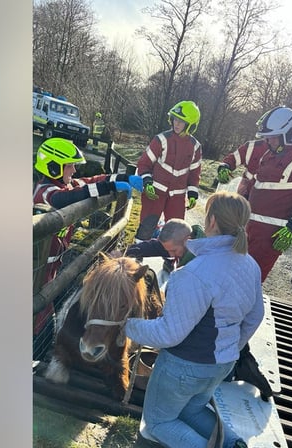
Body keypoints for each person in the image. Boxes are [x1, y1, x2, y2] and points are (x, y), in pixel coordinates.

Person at [124, 192, 277, 448]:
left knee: (158, 423)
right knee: (191, 410)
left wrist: (127, 326)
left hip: (184, 367)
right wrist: (228, 349)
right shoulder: (250, 264)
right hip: (222, 364)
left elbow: (170, 334)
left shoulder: (192, 274)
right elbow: (254, 317)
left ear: (212, 220)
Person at [32, 137, 142, 333]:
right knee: (38, 316)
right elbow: (67, 199)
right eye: (70, 166)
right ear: (54, 167)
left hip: (51, 267)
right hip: (35, 270)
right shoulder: (45, 191)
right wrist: (106, 188)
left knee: (45, 313)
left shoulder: (67, 184)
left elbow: (93, 181)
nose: (74, 170)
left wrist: (121, 179)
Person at [216, 106, 292, 282]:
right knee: (233, 272)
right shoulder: (270, 154)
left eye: (273, 138)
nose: (268, 142)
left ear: (289, 134)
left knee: (249, 279)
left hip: (271, 235)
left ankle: (241, 309)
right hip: (249, 227)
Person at [134, 100, 203, 242]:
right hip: (155, 192)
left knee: (177, 232)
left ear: (191, 125)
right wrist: (147, 182)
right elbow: (144, 163)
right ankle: (136, 256)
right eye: (175, 119)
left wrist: (192, 194)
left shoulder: (195, 146)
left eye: (181, 121)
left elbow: (194, 173)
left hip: (177, 197)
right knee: (147, 226)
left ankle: (170, 262)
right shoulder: (161, 139)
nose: (176, 124)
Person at [118, 218, 205, 271]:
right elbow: (154, 247)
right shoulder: (180, 245)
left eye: (174, 251)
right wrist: (123, 253)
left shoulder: (202, 262)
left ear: (188, 240)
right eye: (168, 250)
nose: (170, 255)